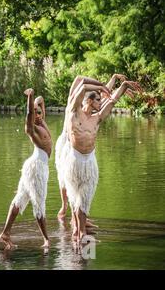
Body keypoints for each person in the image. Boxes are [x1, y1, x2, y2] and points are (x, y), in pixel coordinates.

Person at [63, 76, 142, 242]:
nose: (102, 102)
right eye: (99, 99)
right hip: (73, 162)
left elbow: (112, 101)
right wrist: (102, 86)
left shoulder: (96, 118)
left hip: (90, 163)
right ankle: (78, 232)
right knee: (76, 200)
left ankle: (81, 233)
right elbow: (82, 85)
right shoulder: (73, 112)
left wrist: (125, 85)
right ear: (90, 100)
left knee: (84, 201)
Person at [56, 74, 128, 221]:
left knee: (84, 186)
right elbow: (81, 82)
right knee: (66, 179)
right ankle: (67, 209)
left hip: (80, 148)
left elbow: (105, 98)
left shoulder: (91, 113)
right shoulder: (73, 104)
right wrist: (100, 85)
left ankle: (81, 218)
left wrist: (114, 82)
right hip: (67, 144)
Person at [0, 89, 52, 249]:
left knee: (21, 199)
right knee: (39, 203)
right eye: (35, 113)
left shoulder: (42, 122)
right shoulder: (32, 129)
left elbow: (41, 99)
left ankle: (6, 233)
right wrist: (30, 98)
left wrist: (37, 102)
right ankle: (46, 240)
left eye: (39, 112)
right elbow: (30, 113)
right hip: (36, 167)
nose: (38, 114)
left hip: (37, 166)